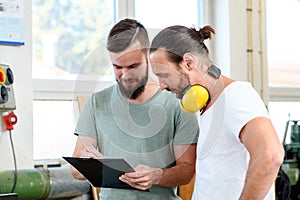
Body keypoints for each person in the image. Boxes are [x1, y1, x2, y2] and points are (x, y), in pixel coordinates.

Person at [149, 24, 285, 199]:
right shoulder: (211, 105)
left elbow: (270, 155)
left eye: (164, 75)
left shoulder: (236, 96)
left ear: (188, 63)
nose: (162, 86)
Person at [70, 18, 199, 200]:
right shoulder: (97, 102)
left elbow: (187, 171)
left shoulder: (177, 103)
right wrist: (88, 164)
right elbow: (75, 170)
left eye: (133, 66)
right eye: (117, 67)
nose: (125, 75)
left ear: (148, 57)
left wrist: (157, 176)